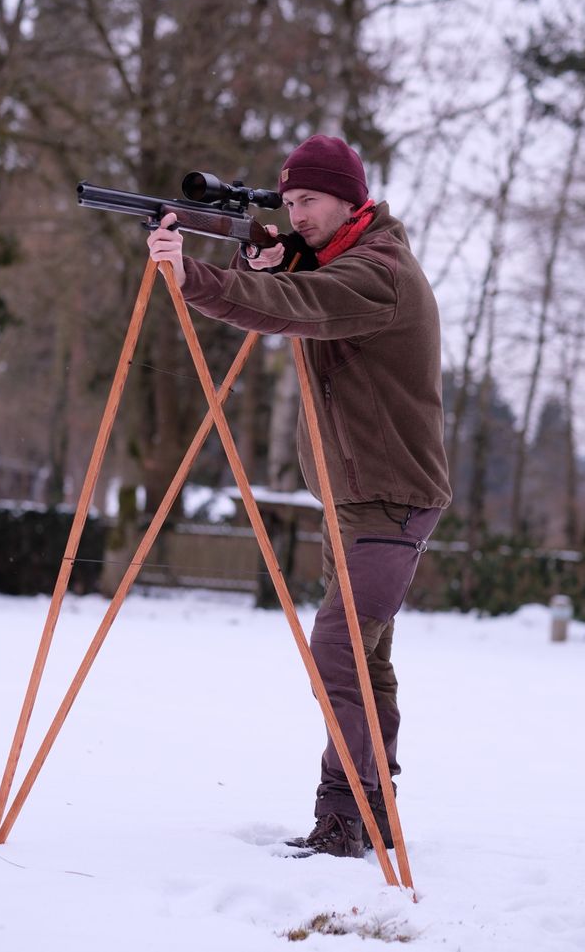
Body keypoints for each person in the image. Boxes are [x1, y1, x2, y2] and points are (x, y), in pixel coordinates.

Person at [147, 135, 451, 859]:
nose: (295, 212)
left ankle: (347, 812)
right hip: (352, 496)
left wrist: (195, 276)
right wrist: (271, 256)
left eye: (307, 199)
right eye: (286, 201)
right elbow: (298, 279)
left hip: (390, 497)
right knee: (364, 658)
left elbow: (299, 302)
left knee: (338, 647)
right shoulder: (340, 257)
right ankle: (363, 809)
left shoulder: (380, 272)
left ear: (352, 198)